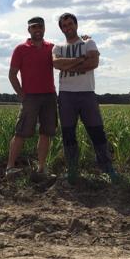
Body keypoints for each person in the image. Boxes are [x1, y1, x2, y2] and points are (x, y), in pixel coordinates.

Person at [52, 12, 118, 184]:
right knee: (68, 134)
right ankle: (73, 170)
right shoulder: (57, 48)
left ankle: (108, 169)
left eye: (70, 24)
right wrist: (81, 60)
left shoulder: (89, 42)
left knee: (97, 132)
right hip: (66, 95)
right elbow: (56, 64)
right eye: (64, 25)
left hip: (87, 94)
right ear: (61, 29)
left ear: (76, 24)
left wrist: (70, 64)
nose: (68, 28)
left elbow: (93, 63)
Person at [6, 16, 57, 177]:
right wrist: (22, 95)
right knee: (21, 132)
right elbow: (12, 74)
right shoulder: (20, 49)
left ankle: (41, 168)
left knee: (46, 133)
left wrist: (84, 41)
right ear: (29, 30)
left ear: (44, 29)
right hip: (30, 98)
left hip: (49, 96)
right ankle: (10, 167)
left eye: (40, 27)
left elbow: (69, 51)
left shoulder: (52, 48)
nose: (37, 30)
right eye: (34, 27)